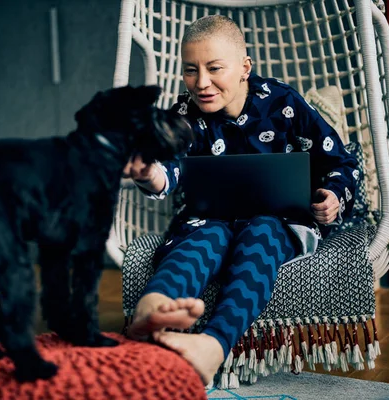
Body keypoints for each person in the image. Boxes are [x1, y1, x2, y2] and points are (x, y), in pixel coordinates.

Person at [121, 15, 359, 385]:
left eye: (215, 68)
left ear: (244, 68)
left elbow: (340, 161)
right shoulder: (183, 115)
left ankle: (213, 346)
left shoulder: (283, 103)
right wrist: (149, 173)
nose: (201, 83)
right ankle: (153, 307)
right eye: (190, 71)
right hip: (208, 220)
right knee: (204, 238)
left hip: (277, 221)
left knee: (261, 234)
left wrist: (332, 196)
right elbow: (168, 169)